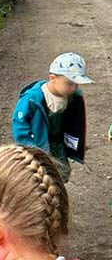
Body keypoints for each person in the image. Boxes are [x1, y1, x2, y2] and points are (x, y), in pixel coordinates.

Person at [12, 52, 92, 182]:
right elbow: (19, 124)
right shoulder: (32, 99)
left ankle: (56, 191)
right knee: (37, 175)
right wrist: (27, 147)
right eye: (69, 83)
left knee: (62, 173)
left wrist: (75, 141)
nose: (73, 88)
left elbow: (74, 122)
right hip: (37, 144)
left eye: (76, 84)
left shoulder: (72, 97)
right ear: (53, 78)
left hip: (56, 143)